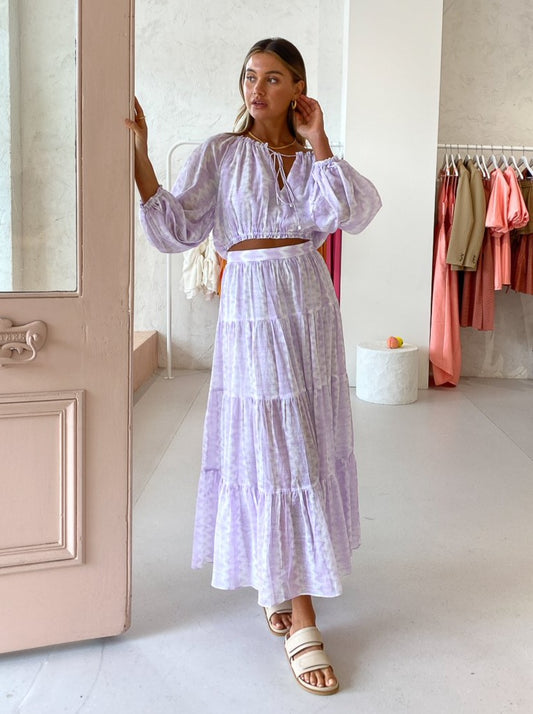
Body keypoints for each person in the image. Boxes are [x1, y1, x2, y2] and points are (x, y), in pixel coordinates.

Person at [126, 37, 381, 695]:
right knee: (274, 449)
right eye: (249, 76)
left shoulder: (311, 156)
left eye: (272, 78)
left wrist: (319, 139)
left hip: (308, 304)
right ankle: (303, 616)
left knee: (306, 443)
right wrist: (141, 156)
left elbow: (351, 213)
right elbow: (177, 227)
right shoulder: (220, 151)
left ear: (297, 88)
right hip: (250, 305)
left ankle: (279, 581)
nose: (256, 88)